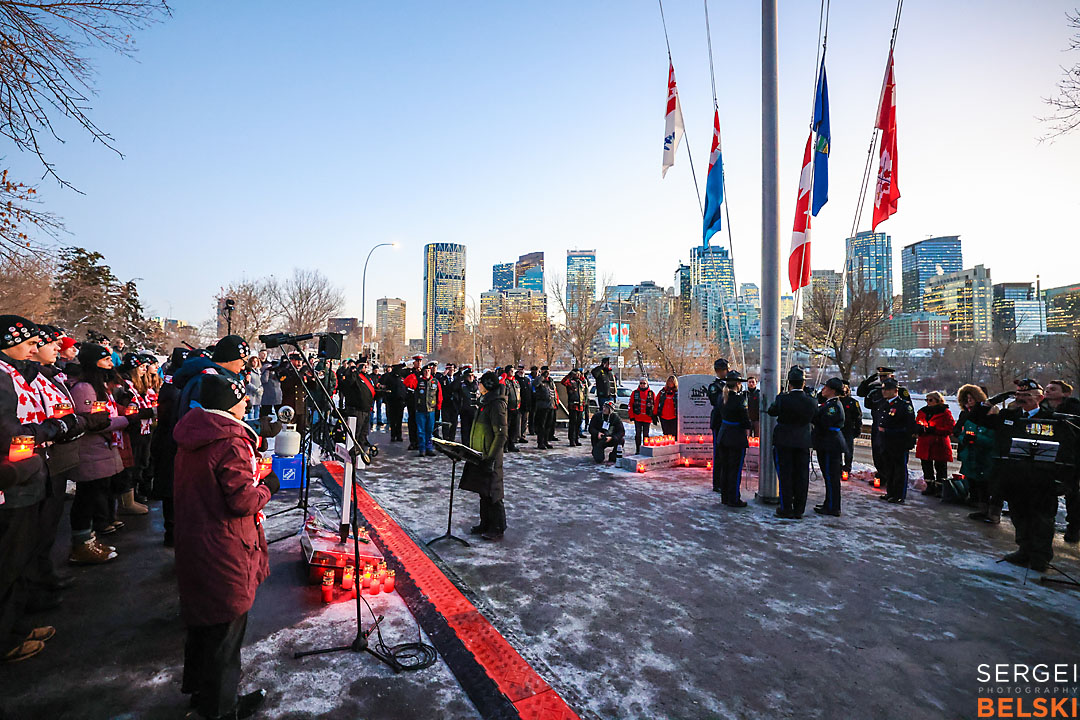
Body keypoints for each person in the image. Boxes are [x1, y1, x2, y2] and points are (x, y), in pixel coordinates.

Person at [174, 373, 277, 719]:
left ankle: (203, 693)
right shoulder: (230, 441)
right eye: (242, 397)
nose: (248, 402)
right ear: (228, 403)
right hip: (225, 546)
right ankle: (221, 708)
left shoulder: (194, 433)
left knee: (204, 625)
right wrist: (269, 486)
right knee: (226, 631)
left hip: (198, 540)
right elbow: (243, 501)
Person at [0, 317, 77, 663]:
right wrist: (49, 429)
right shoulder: (3, 377)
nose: (35, 347)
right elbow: (9, 431)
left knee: (23, 554)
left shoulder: (21, 373)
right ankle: (4, 638)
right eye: (29, 342)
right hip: (12, 482)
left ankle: (14, 624)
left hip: (31, 472)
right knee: (8, 560)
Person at [986, 379, 1078, 572]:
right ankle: (1024, 549)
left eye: (1027, 395)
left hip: (1042, 479)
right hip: (1015, 477)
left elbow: (1068, 449)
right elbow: (978, 417)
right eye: (1018, 395)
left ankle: (1040, 557)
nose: (1021, 399)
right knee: (1019, 515)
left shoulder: (1053, 419)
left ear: (1040, 398)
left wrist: (1063, 478)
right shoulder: (1009, 416)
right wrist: (995, 399)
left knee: (1042, 519)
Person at [69, 344, 130, 559]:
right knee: (86, 498)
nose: (111, 364)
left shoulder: (101, 386)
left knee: (96, 493)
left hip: (103, 448)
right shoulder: (85, 388)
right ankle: (81, 544)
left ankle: (90, 540)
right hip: (91, 450)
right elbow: (92, 421)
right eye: (106, 360)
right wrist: (126, 420)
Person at [459, 371, 508, 541]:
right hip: (480, 454)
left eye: (480, 383)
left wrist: (491, 458)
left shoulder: (496, 404)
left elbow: (501, 434)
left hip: (490, 456)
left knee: (493, 492)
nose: (477, 385)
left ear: (487, 386)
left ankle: (497, 527)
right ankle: (485, 523)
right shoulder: (484, 402)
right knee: (483, 491)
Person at [766, 367, 816, 518]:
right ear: (803, 383)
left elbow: (771, 411)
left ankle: (786, 507)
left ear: (789, 384)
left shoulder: (783, 399)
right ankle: (799, 509)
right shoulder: (811, 400)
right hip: (803, 442)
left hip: (784, 441)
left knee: (785, 476)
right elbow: (815, 417)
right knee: (802, 476)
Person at [857, 366, 912, 481]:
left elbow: (908, 409)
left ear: (891, 376)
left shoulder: (899, 390)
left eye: (885, 376)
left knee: (892, 456)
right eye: (880, 376)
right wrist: (869, 380)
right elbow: (860, 392)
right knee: (877, 452)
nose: (882, 378)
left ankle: (892, 481)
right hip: (877, 423)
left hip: (892, 427)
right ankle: (882, 474)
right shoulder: (875, 388)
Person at [1042, 380, 1080, 543]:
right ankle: (1045, 525)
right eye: (1047, 389)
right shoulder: (1042, 407)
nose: (1048, 391)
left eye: (1053, 389)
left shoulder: (1074, 409)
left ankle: (1074, 527)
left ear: (1065, 393)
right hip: (1049, 453)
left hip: (1072, 455)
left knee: (1072, 492)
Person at [955, 384, 1000, 520]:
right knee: (975, 482)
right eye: (967, 398)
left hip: (985, 456)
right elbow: (961, 431)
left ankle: (991, 512)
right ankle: (981, 507)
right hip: (970, 454)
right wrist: (964, 438)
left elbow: (993, 438)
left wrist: (976, 438)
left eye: (972, 398)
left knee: (986, 484)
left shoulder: (991, 417)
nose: (969, 400)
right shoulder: (967, 415)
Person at [873, 377, 918, 504]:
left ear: (895, 390)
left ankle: (899, 495)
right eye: (883, 389)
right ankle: (890, 492)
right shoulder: (884, 404)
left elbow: (909, 427)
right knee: (889, 469)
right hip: (886, 443)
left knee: (899, 471)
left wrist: (889, 431)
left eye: (887, 389)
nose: (884, 392)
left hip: (899, 443)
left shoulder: (904, 406)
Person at [716, 371, 752, 507]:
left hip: (723, 435)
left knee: (725, 468)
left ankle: (725, 497)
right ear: (738, 384)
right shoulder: (739, 399)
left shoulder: (721, 397)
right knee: (735, 470)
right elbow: (745, 420)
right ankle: (734, 498)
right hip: (736, 437)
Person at [812, 377, 847, 516]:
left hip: (830, 444)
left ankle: (833, 506)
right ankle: (829, 502)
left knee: (831, 476)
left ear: (832, 390)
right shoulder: (829, 404)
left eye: (826, 387)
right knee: (829, 476)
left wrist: (813, 415)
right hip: (827, 443)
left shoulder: (833, 406)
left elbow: (824, 422)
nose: (823, 389)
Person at [915, 392, 955, 498]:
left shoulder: (945, 412)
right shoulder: (923, 411)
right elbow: (917, 422)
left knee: (940, 467)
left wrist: (935, 430)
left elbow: (950, 429)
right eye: (926, 400)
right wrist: (919, 428)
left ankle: (940, 487)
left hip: (939, 443)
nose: (928, 402)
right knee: (926, 466)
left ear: (938, 401)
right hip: (925, 443)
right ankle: (930, 486)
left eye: (930, 400)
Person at [338, 359, 376, 452]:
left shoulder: (366, 377)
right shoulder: (353, 375)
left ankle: (360, 452)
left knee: (363, 434)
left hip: (366, 409)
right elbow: (348, 383)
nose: (365, 367)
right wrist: (354, 370)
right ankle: (353, 454)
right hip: (357, 409)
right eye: (363, 365)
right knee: (356, 433)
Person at [705, 358, 729, 494]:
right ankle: (717, 482)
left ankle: (725, 481)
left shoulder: (729, 384)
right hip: (719, 421)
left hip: (728, 422)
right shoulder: (715, 387)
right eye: (723, 370)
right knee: (719, 453)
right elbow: (717, 402)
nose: (725, 373)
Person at [409, 364, 442, 457]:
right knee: (420, 431)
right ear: (422, 372)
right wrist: (413, 373)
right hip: (420, 410)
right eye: (425, 371)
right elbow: (407, 383)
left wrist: (438, 407)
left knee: (430, 430)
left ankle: (429, 448)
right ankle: (422, 449)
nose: (427, 372)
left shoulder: (435, 382)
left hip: (431, 410)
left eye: (428, 371)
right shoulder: (418, 381)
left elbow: (439, 395)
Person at [531, 367, 560, 450]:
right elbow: (535, 384)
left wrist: (555, 403)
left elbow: (553, 391)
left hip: (551, 405)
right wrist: (542, 376)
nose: (547, 373)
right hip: (542, 405)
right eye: (545, 371)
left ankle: (546, 441)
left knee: (548, 425)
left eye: (548, 371)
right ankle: (540, 442)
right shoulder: (539, 379)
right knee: (541, 425)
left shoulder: (550, 380)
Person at [838, 381, 862, 479]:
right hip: (838, 430)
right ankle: (838, 469)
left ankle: (847, 469)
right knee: (837, 451)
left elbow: (858, 417)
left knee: (848, 451)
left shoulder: (853, 402)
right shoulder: (836, 401)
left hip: (848, 430)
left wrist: (857, 429)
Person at [628, 378, 656, 454]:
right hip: (638, 417)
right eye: (641, 383)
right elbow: (630, 405)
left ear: (647, 384)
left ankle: (645, 449)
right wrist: (631, 416)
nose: (642, 385)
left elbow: (655, 405)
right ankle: (638, 449)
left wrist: (654, 417)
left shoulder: (651, 393)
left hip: (647, 418)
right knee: (637, 434)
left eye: (644, 383)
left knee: (646, 435)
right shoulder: (635, 393)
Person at [561, 369, 587, 447]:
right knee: (573, 423)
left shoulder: (581, 382)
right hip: (573, 405)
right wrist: (570, 374)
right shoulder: (570, 382)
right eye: (576, 374)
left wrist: (581, 376)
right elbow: (563, 382)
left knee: (578, 423)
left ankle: (576, 439)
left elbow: (586, 382)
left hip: (580, 405)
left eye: (579, 374)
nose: (578, 375)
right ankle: (571, 440)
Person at [383, 364, 408, 442]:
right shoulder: (390, 378)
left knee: (399, 420)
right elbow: (386, 389)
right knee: (393, 420)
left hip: (400, 401)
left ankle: (399, 435)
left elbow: (404, 389)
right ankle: (393, 435)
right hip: (392, 401)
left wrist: (405, 400)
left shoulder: (402, 378)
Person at [456, 367, 479, 443]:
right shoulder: (462, 385)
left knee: (474, 430)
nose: (471, 377)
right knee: (465, 430)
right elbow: (453, 388)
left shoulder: (476, 384)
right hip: (465, 410)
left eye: (472, 375)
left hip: (474, 410)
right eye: (469, 375)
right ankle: (465, 445)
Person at [501, 365, 520, 453]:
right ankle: (504, 445)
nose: (512, 372)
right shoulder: (504, 381)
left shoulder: (515, 381)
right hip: (507, 408)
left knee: (514, 428)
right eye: (511, 371)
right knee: (506, 428)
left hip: (516, 407)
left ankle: (511, 444)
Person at [438, 362, 459, 442]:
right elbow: (439, 386)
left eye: (452, 369)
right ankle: (446, 438)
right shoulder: (443, 379)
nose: (451, 371)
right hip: (446, 404)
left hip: (454, 404)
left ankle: (452, 438)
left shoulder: (457, 379)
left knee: (454, 423)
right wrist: (443, 376)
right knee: (446, 422)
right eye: (449, 369)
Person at [515, 366, 532, 444]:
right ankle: (517, 436)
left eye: (522, 370)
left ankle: (523, 435)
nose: (521, 371)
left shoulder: (527, 380)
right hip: (518, 403)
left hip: (526, 403)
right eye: (520, 370)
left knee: (525, 421)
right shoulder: (515, 380)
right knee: (518, 421)